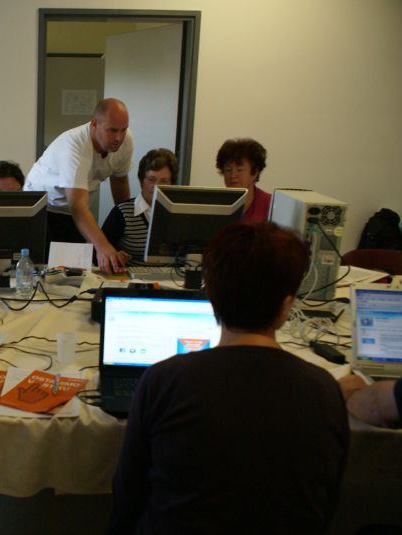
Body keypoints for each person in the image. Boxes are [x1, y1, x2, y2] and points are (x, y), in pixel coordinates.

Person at [110, 221, 349, 534]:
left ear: (211, 295)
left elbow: (128, 495)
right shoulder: (325, 389)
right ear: (286, 305)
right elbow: (325, 504)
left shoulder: (164, 380)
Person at [24, 98, 134, 273]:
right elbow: (78, 206)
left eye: (123, 129)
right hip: (43, 208)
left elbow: (120, 182)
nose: (119, 137)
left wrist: (128, 225)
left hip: (72, 209)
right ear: (94, 124)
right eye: (112, 130)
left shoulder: (126, 140)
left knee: (76, 271)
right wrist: (103, 247)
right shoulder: (75, 145)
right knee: (49, 271)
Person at [101, 148, 178, 265]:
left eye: (164, 181)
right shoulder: (122, 212)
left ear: (172, 184)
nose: (157, 186)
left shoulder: (179, 214)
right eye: (152, 179)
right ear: (142, 181)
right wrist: (115, 257)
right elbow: (98, 254)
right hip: (131, 275)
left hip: (172, 276)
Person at [216, 137, 272, 221]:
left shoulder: (270, 204)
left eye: (240, 170)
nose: (233, 175)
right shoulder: (215, 204)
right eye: (228, 170)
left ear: (255, 172)